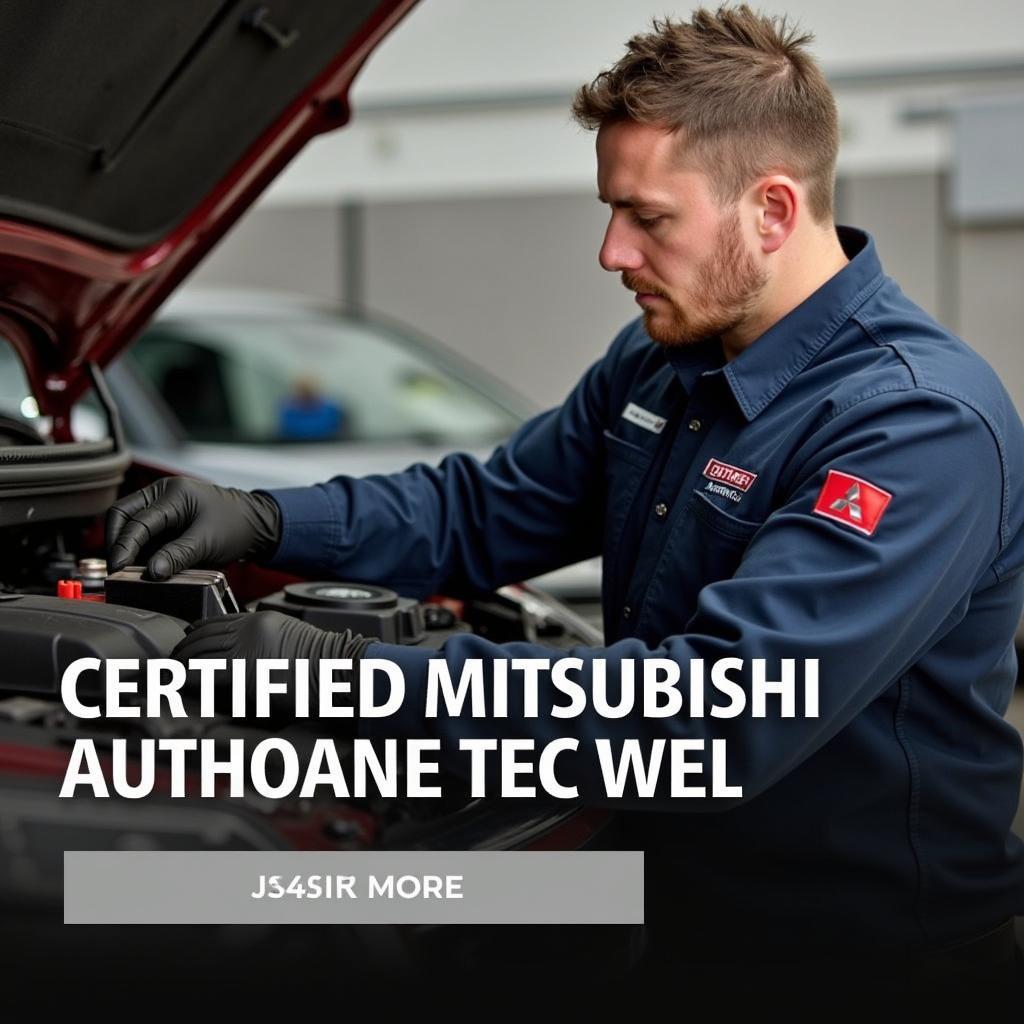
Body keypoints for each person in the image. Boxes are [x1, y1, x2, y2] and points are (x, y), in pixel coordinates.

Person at [106, 6, 1024, 999]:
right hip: (663, 919)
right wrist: (267, 519)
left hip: (866, 974)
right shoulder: (660, 361)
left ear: (769, 209)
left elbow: (714, 717)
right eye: (610, 209)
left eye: (648, 218)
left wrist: (350, 675)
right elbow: (485, 510)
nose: (611, 253)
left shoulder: (913, 425)